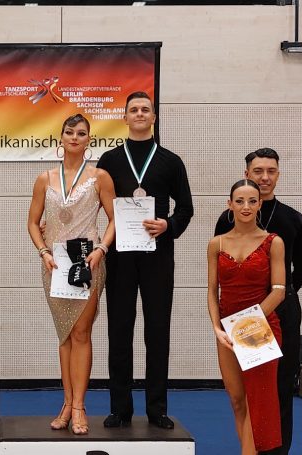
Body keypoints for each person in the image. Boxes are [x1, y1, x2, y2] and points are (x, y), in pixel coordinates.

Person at [97, 91, 193, 429]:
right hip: (120, 256)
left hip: (158, 255)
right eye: (133, 109)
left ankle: (157, 409)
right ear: (125, 117)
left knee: (157, 330)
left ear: (154, 117)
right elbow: (93, 204)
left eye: (145, 109)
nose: (139, 114)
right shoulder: (109, 161)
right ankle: (120, 408)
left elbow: (186, 209)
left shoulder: (171, 161)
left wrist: (168, 225)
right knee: (119, 330)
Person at [213, 148, 302, 454]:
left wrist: (274, 300)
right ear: (247, 174)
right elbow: (221, 273)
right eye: (258, 171)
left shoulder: (292, 218)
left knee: (280, 388)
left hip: (281, 310)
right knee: (240, 394)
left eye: (271, 171)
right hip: (235, 315)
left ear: (278, 174)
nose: (265, 177)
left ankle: (279, 451)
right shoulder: (224, 222)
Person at [27, 114, 116, 435]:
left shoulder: (100, 177)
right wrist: (43, 251)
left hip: (86, 261)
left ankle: (79, 406)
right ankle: (66, 404)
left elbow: (115, 218)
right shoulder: (44, 179)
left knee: (81, 333)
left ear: (89, 139)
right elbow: (32, 222)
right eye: (69, 132)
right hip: (54, 264)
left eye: (81, 133)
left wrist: (101, 249)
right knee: (64, 335)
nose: (74, 137)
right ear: (61, 137)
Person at [208, 179, 285, 453]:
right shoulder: (216, 244)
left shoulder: (273, 242)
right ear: (229, 204)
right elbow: (212, 291)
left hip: (261, 328)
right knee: (238, 401)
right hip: (226, 332)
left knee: (257, 402)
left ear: (260, 204)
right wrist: (217, 329)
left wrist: (249, 323)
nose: (246, 206)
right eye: (239, 201)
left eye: (252, 201)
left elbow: (279, 291)